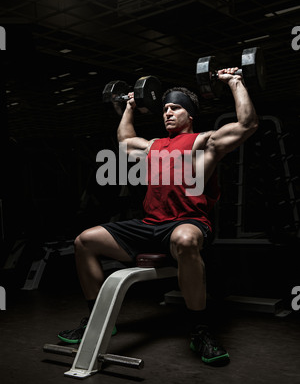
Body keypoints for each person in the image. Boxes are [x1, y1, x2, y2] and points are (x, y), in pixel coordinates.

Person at [58, 67, 259, 366]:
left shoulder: (204, 143)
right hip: (149, 226)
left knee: (186, 239)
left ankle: (199, 329)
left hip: (187, 222)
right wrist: (128, 107)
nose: (167, 113)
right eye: (164, 108)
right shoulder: (154, 145)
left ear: (190, 115)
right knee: (85, 241)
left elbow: (247, 124)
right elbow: (125, 142)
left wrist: (234, 81)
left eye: (175, 108)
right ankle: (97, 319)